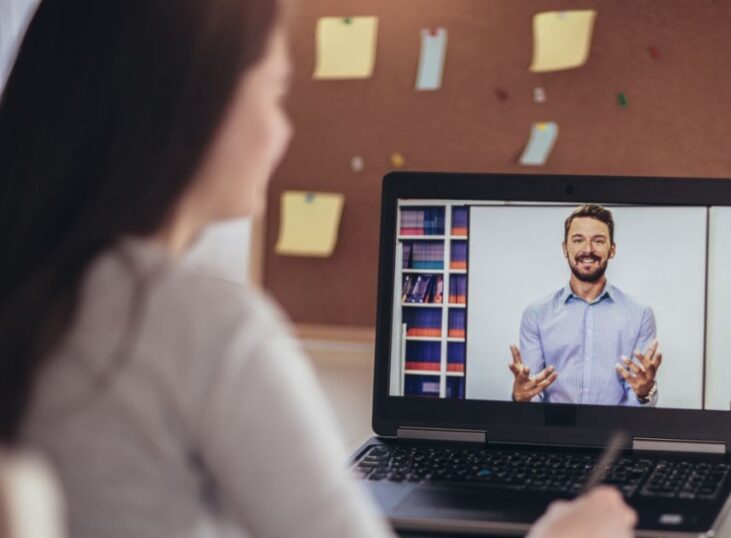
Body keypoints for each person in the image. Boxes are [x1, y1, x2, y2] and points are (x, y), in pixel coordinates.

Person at [0, 1, 637, 537]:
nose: (283, 131)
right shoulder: (201, 325)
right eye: (276, 93)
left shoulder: (31, 289)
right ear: (199, 102)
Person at [508, 205, 663, 406]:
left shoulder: (640, 314)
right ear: (565, 248)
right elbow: (532, 391)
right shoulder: (536, 314)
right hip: (554, 426)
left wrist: (644, 393)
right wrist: (521, 397)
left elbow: (637, 396)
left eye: (598, 241)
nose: (588, 249)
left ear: (612, 249)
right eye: (578, 240)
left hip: (615, 426)